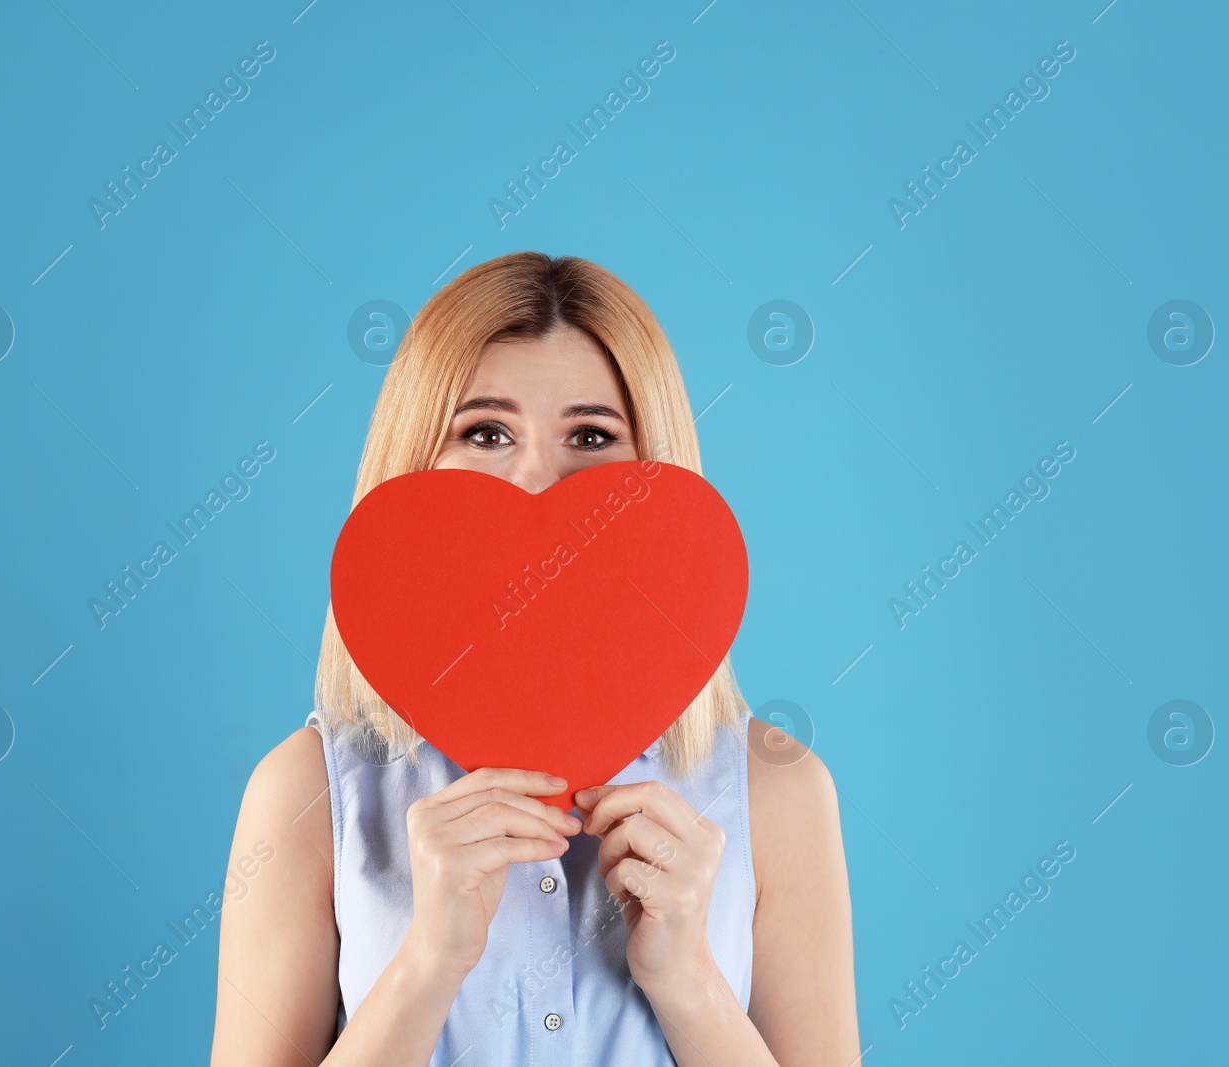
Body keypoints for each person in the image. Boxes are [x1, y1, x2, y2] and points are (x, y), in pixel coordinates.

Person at [211, 252, 859, 1065]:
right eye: (485, 432)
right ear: (415, 462)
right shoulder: (307, 794)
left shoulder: (779, 790)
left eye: (591, 435)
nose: (535, 482)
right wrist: (428, 962)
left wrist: (688, 978)